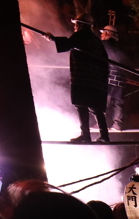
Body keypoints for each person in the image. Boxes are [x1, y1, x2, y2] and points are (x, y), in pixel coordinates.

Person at [46, 14, 111, 143]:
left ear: (80, 24)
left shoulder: (82, 35)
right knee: (95, 108)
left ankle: (86, 135)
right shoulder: (95, 40)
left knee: (81, 105)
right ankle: (104, 136)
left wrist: (52, 38)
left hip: (83, 77)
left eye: (76, 24)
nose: (74, 26)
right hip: (97, 79)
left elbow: (68, 44)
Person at [101, 23, 127, 132]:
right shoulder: (119, 46)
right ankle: (117, 125)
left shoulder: (104, 44)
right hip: (120, 78)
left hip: (108, 77)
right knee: (118, 102)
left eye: (103, 34)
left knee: (103, 101)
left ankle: (100, 124)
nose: (101, 36)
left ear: (108, 34)